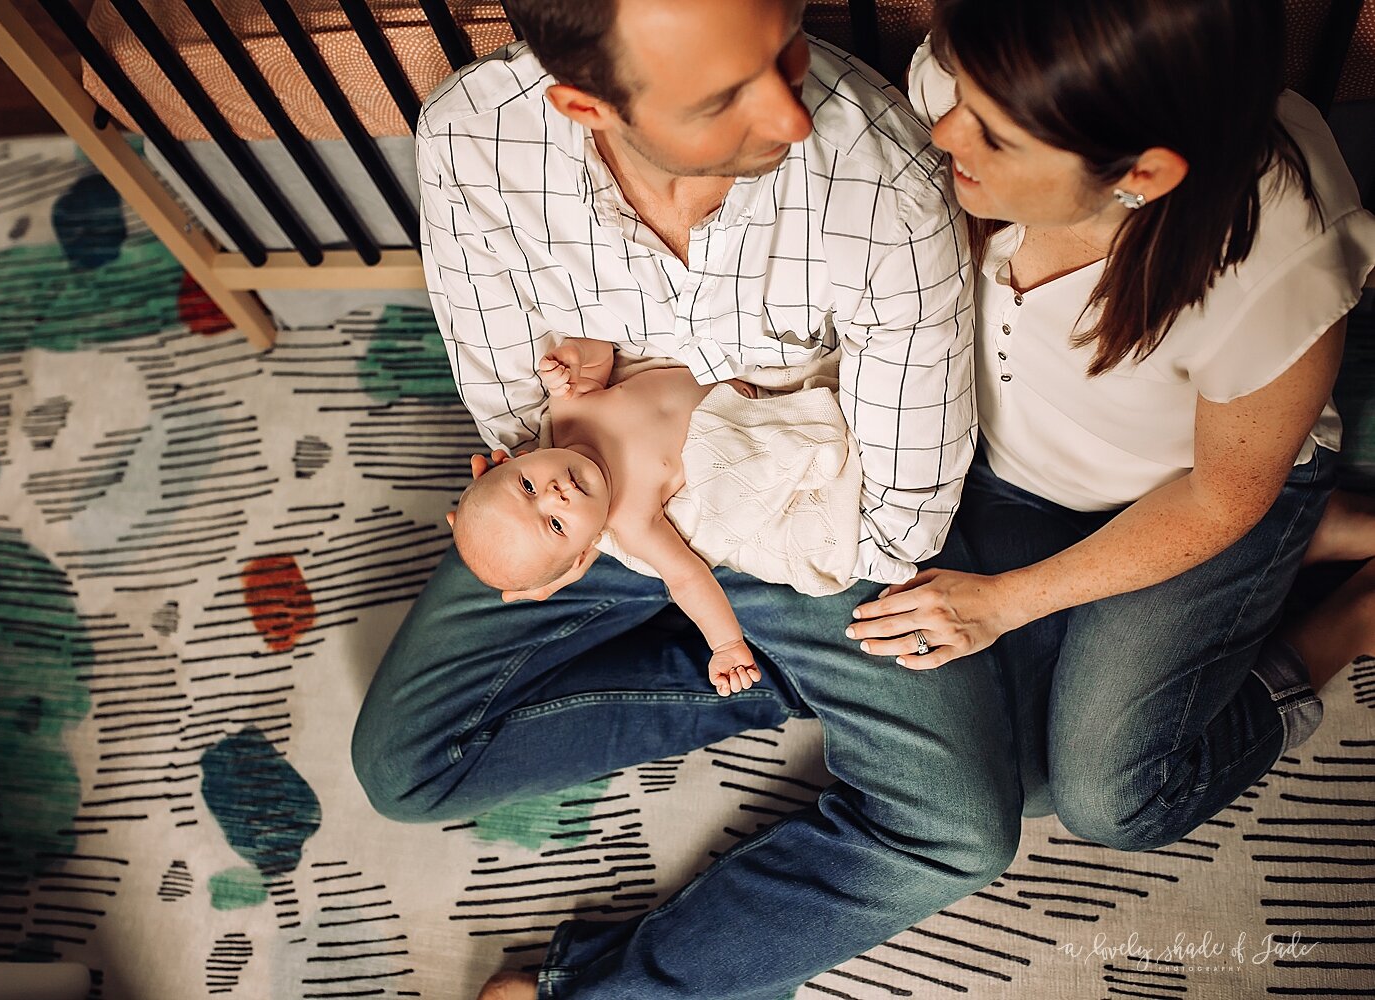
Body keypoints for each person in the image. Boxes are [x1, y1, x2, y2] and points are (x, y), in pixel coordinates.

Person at [351, 1, 1022, 998]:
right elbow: (509, 406)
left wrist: (793, 569)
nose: (793, 114)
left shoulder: (876, 164)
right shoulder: (476, 137)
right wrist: (591, 526)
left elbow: (907, 492)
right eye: (723, 97)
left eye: (784, 48)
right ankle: (766, 680)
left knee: (961, 828)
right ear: (586, 104)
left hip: (803, 522)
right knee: (404, 766)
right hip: (583, 517)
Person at [849, 0, 1375, 847]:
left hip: (1195, 493)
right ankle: (1306, 543)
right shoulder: (993, 70)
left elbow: (1220, 497)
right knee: (1009, 780)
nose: (944, 133)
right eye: (959, 97)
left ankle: (1348, 612)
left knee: (1113, 800)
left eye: (995, 132)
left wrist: (1007, 604)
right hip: (1013, 471)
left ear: (1143, 173)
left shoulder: (1276, 259)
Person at [450, 337, 863, 696]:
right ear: (583, 553)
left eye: (526, 487)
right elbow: (685, 577)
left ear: (515, 458)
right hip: (757, 407)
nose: (553, 496)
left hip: (734, 355)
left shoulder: (569, 409)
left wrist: (573, 359)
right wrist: (724, 644)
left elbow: (600, 358)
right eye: (556, 524)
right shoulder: (632, 523)